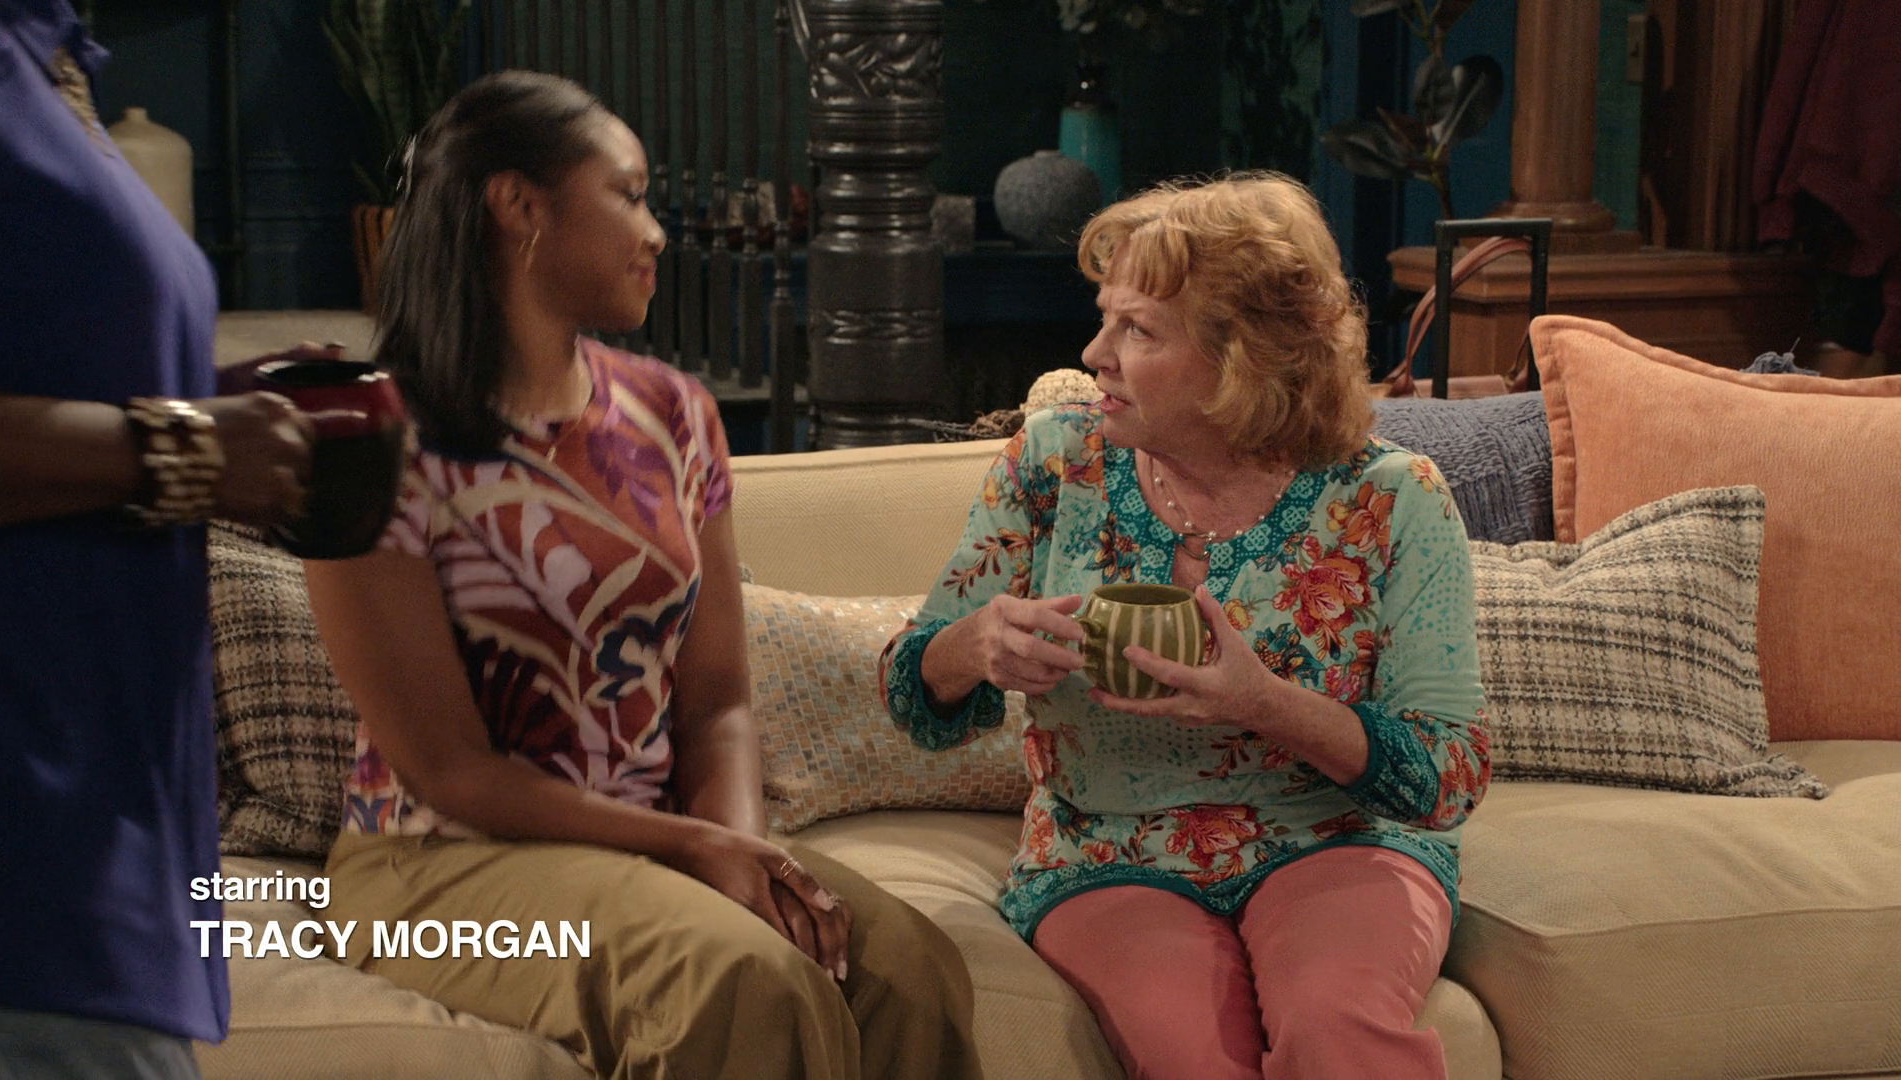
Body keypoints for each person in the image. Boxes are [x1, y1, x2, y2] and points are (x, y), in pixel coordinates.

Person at [301, 70, 981, 1080]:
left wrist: (747, 859)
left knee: (905, 969)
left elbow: (718, 705)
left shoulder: (673, 413)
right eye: (628, 195)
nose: (657, 232)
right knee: (744, 979)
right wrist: (690, 852)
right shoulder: (365, 439)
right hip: (437, 867)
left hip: (654, 846)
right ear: (519, 206)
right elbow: (451, 774)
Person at [881, 174, 1491, 1080]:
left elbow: (1449, 776)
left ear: (1243, 359)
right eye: (1105, 319)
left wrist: (1265, 705)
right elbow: (910, 692)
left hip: (1339, 840)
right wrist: (974, 648)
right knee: (1191, 1058)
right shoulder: (1053, 462)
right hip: (1108, 849)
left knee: (1337, 1031)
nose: (1095, 354)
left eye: (1138, 330)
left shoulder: (1393, 497)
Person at [0, 0, 318, 1075]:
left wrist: (214, 401)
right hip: (19, 866)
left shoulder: (44, 56)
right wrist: (189, 448)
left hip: (99, 861)